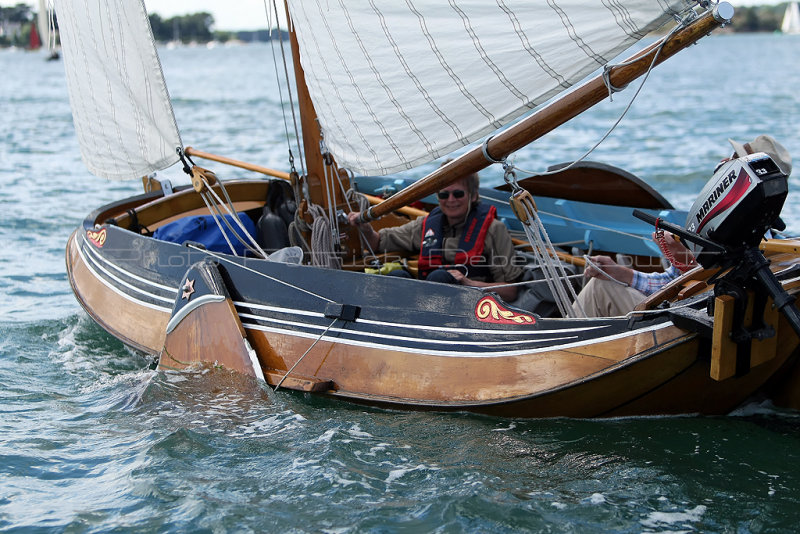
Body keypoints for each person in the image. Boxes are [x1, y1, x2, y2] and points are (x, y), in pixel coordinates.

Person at [574, 134, 793, 318]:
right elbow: (672, 283)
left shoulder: (730, 238)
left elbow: (701, 293)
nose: (726, 161)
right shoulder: (777, 244)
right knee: (606, 282)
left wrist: (685, 264)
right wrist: (620, 272)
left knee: (599, 289)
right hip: (705, 325)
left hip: (685, 328)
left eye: (735, 160)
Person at [348, 168, 523, 301]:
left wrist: (468, 283)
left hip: (471, 305)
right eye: (444, 194)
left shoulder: (494, 230)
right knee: (398, 278)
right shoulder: (426, 226)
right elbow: (377, 243)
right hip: (430, 303)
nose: (451, 200)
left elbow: (511, 291)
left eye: (458, 194)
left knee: (439, 277)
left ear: (474, 196)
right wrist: (366, 229)